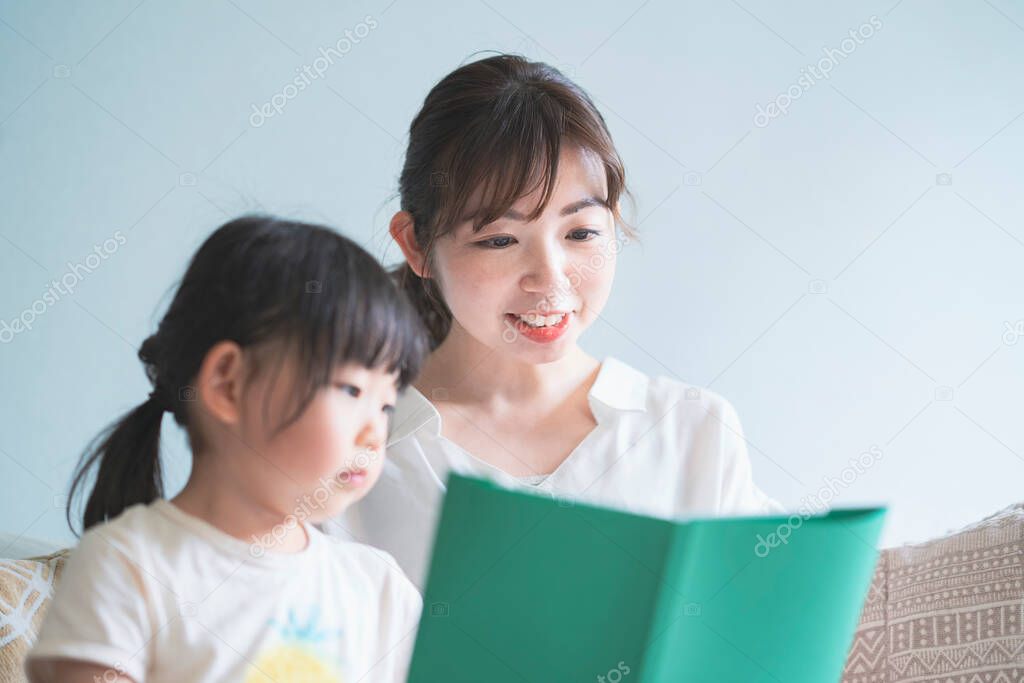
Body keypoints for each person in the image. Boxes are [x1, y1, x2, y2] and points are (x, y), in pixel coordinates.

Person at [328, 53, 783, 589]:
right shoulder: (352, 449)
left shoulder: (690, 431)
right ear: (416, 245)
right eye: (499, 240)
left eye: (581, 233)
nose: (549, 279)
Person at [26, 215, 430, 683]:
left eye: (386, 404)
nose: (374, 433)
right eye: (353, 391)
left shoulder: (379, 590)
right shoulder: (128, 567)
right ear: (228, 384)